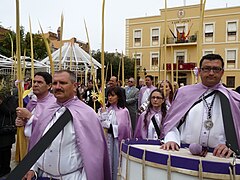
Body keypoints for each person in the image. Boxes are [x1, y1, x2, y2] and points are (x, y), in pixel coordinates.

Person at [24, 70, 111, 180]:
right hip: (43, 176)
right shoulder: (47, 111)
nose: (58, 87)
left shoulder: (87, 114)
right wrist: (32, 168)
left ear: (74, 86)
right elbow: (37, 144)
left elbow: (93, 156)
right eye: (55, 83)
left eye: (63, 83)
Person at [161, 54, 240, 158]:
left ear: (222, 72)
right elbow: (171, 124)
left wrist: (231, 146)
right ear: (199, 71)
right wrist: (171, 139)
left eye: (216, 69)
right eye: (206, 69)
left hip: (218, 158)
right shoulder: (183, 93)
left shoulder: (234, 98)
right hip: (183, 154)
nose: (211, 73)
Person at [99, 86, 132, 180]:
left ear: (118, 96)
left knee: (114, 163)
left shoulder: (123, 111)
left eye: (112, 95)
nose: (110, 98)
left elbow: (124, 129)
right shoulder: (106, 109)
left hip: (116, 142)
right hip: (106, 140)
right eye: (108, 95)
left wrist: (110, 127)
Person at [15, 72, 55, 138]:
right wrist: (22, 121)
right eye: (34, 82)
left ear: (49, 86)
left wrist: (29, 116)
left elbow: (50, 127)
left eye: (39, 82)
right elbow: (27, 122)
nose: (35, 85)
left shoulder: (54, 103)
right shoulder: (33, 101)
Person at [0, 89, 18, 178]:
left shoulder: (11, 99)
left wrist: (1, 103)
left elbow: (10, 111)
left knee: (5, 152)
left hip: (6, 132)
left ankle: (5, 171)